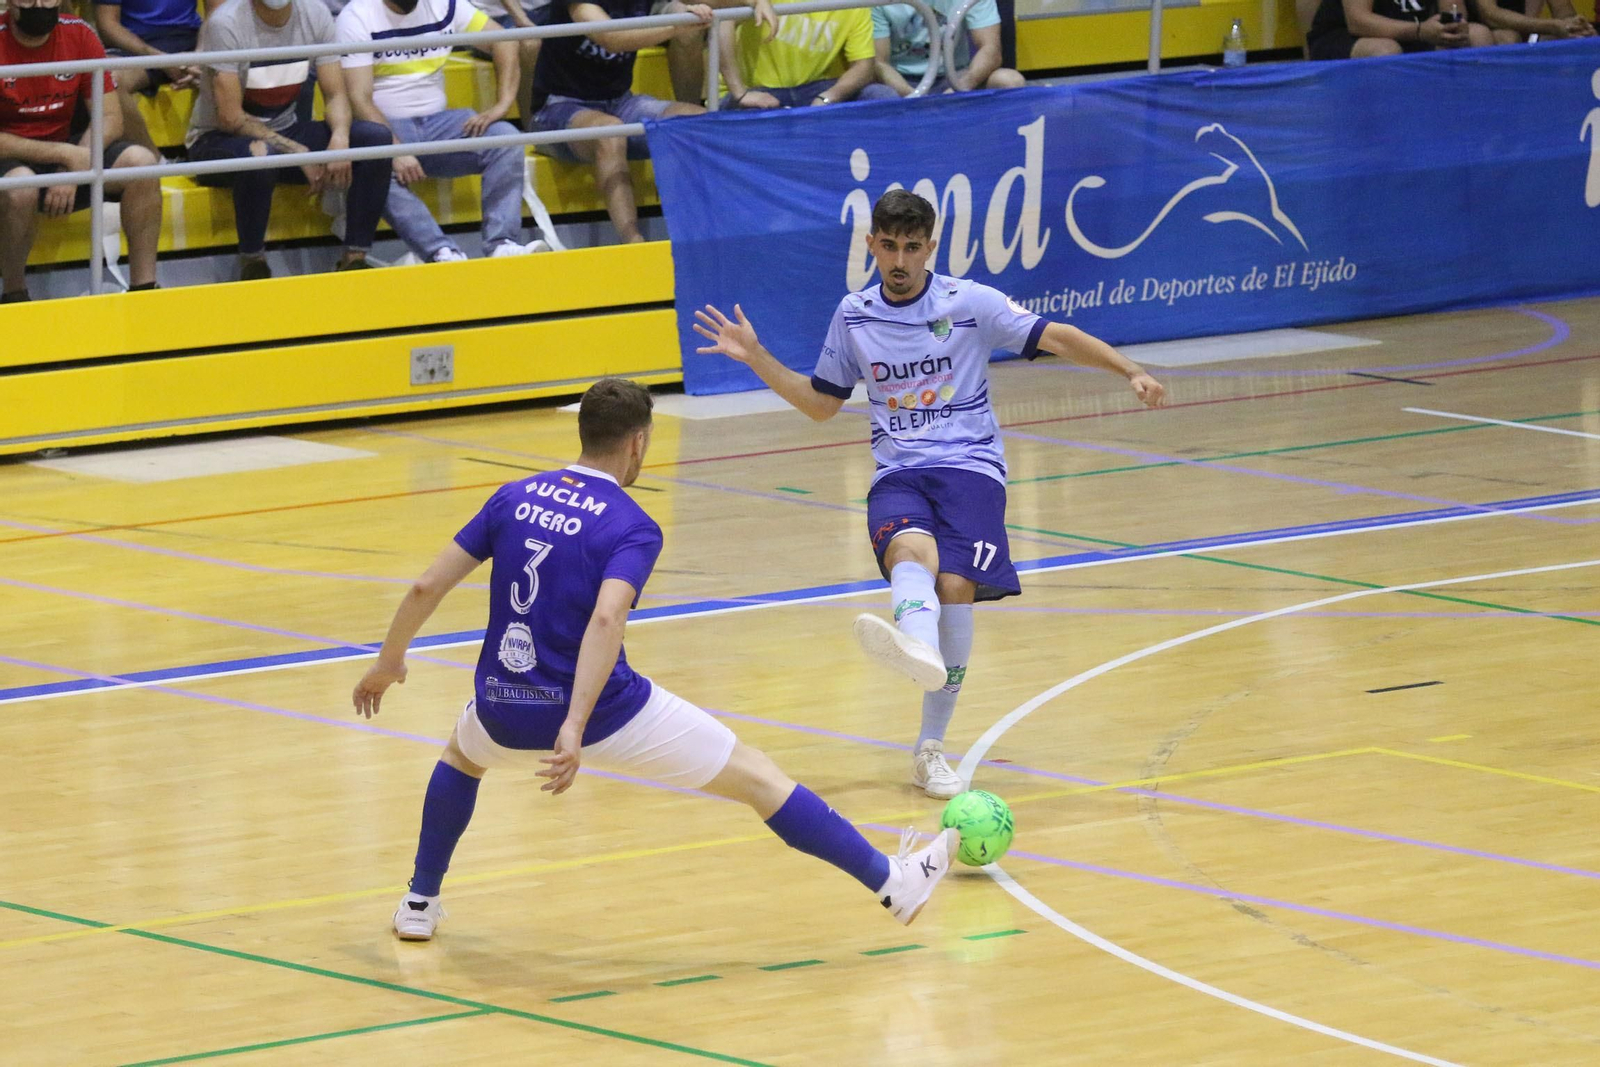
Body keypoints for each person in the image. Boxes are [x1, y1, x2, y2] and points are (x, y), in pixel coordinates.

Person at [352, 377, 959, 940]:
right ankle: (892, 882)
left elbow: (426, 587)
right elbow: (607, 618)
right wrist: (573, 725)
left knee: (462, 757)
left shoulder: (511, 497)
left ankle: (419, 903)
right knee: (758, 776)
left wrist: (388, 662)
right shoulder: (631, 524)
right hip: (605, 714)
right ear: (637, 443)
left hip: (501, 709)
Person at [693, 190, 1167, 799]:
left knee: (955, 586)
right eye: (889, 246)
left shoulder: (969, 304)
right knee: (908, 554)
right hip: (898, 472)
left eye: (912, 248)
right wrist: (756, 356)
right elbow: (820, 404)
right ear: (871, 245)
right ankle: (917, 645)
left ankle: (929, 750)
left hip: (971, 468)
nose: (899, 260)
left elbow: (1057, 337)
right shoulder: (854, 315)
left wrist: (1130, 370)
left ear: (930, 248)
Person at [529, 0, 777, 244]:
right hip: (557, 108)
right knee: (611, 133)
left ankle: (717, 233)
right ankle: (634, 245)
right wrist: (675, 26)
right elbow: (611, 38)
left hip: (620, 102)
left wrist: (755, 1)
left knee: (698, 123)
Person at [187, 0, 392, 279]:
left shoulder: (315, 13)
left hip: (286, 133)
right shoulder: (226, 23)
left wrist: (340, 139)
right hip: (218, 140)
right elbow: (230, 118)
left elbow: (335, 94)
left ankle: (354, 259)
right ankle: (253, 262)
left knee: (375, 138)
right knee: (261, 154)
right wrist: (297, 151)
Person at [337, 0, 544, 262]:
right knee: (372, 165)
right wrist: (395, 148)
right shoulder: (356, 16)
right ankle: (441, 252)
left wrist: (502, 105)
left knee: (506, 140)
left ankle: (502, 245)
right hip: (386, 127)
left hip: (440, 124)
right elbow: (359, 99)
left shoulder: (445, 4)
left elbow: (504, 40)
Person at [0, 0, 162, 301]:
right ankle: (13, 294)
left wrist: (74, 165)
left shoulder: (80, 34)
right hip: (13, 157)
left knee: (141, 163)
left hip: (71, 151)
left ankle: (145, 291)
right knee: (20, 187)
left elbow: (110, 117)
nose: (39, 4)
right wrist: (64, 156)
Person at [717, 3, 895, 109]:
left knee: (881, 96)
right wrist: (740, 93)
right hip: (757, 89)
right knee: (755, 116)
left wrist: (828, 97)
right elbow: (723, 20)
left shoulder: (854, 4)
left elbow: (863, 66)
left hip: (816, 88)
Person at [91, 0, 204, 153]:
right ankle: (155, 162)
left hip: (192, 40)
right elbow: (108, 25)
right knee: (106, 80)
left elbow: (216, 12)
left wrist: (200, 56)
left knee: (230, 58)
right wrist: (158, 58)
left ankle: (217, 154)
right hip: (133, 46)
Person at [871, 0, 1024, 98]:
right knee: (880, 94)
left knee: (1009, 80)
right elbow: (879, 62)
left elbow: (991, 49)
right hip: (901, 79)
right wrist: (914, 96)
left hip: (954, 76)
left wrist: (960, 86)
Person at [1306, 0, 1493, 59]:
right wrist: (1419, 31)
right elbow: (1358, 22)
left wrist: (1453, 24)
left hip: (1416, 31)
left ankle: (1478, 126)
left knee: (1478, 35)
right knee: (1385, 51)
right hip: (1345, 35)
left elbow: (1454, 10)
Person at [1472, 0, 1595, 41]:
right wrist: (1553, 26)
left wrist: (1578, 27)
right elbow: (1490, 15)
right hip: (1481, 32)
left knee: (1578, 39)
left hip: (1524, 32)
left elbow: (1565, 13)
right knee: (1508, 37)